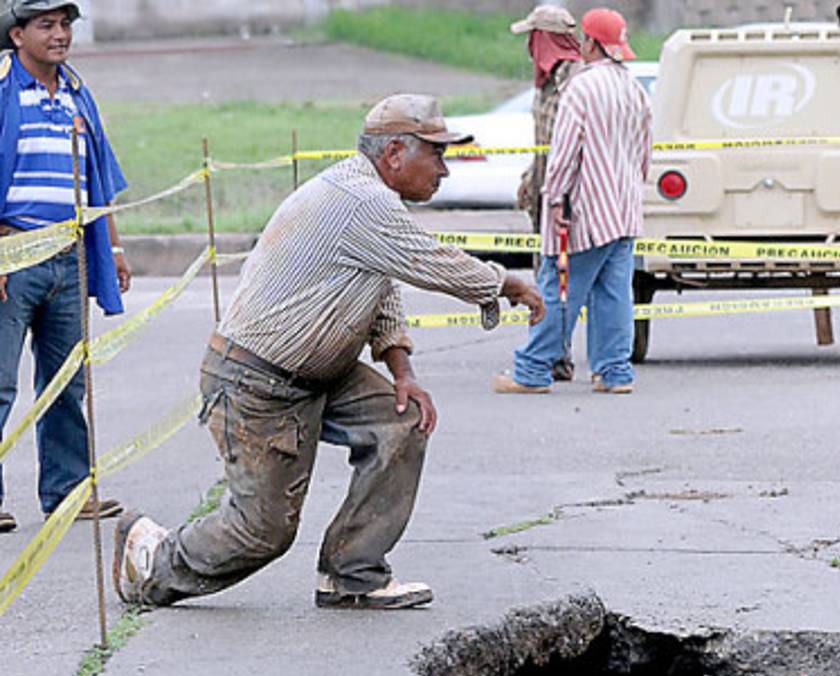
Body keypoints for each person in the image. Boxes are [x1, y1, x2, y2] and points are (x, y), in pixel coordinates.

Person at [113, 94, 545, 611]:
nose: (445, 171)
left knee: (399, 419)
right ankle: (152, 561)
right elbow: (432, 262)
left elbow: (380, 290)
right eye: (437, 155)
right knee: (262, 533)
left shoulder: (368, 198)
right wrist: (505, 282)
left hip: (319, 374)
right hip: (258, 384)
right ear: (394, 154)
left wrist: (400, 370)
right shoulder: (362, 201)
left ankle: (353, 573)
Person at [0, 0, 131, 533]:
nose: (60, 36)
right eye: (46, 26)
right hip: (14, 253)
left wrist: (113, 249)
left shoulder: (77, 94)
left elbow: (96, 175)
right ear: (17, 36)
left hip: (69, 255)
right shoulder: (5, 92)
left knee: (66, 381)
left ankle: (67, 491)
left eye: (65, 25)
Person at [494, 7, 651, 396]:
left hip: (582, 211)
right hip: (624, 209)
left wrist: (556, 201)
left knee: (559, 290)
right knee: (614, 295)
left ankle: (531, 370)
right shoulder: (634, 87)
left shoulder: (581, 87)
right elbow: (645, 153)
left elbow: (563, 155)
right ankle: (614, 373)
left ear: (590, 43)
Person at [510, 4, 582, 382]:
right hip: (543, 195)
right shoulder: (546, 83)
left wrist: (559, 195)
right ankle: (552, 352)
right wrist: (530, 176)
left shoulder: (575, 82)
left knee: (560, 281)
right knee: (547, 276)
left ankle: (553, 357)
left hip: (566, 200)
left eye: (533, 39)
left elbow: (571, 145)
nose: (529, 48)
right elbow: (545, 142)